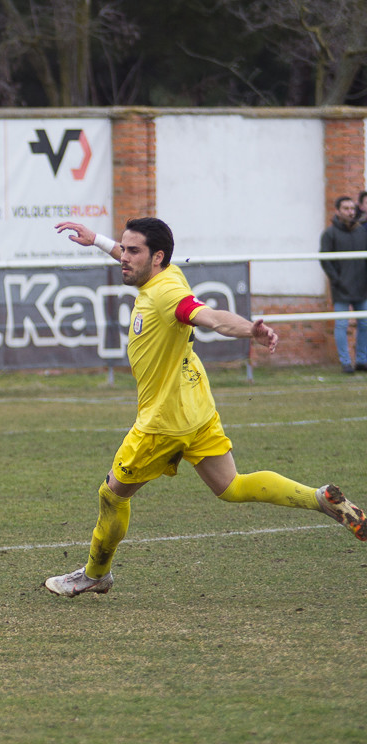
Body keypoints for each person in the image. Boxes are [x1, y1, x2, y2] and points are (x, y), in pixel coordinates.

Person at [43, 217, 367, 598]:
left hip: (162, 422)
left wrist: (250, 330)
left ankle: (95, 574)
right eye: (124, 249)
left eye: (133, 251)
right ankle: (317, 498)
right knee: (231, 486)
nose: (124, 257)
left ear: (157, 257)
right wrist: (97, 240)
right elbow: (134, 261)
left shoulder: (165, 295)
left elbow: (210, 318)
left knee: (112, 495)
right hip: (196, 407)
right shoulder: (167, 274)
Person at [319, 195, 367, 374]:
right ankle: (345, 362)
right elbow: (325, 260)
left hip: (362, 288)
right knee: (341, 325)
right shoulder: (329, 234)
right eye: (346, 208)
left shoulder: (361, 232)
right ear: (337, 211)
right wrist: (337, 280)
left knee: (364, 324)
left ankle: (362, 360)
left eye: (352, 208)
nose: (350, 212)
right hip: (341, 289)